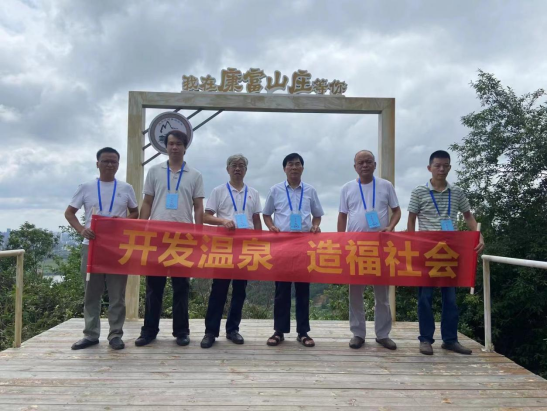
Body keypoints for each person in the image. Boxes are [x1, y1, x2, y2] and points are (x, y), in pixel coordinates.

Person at [408, 150, 485, 356]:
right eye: (437, 165)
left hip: (450, 252)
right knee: (425, 297)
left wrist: (479, 236)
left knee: (450, 298)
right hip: (426, 252)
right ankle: (425, 340)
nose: (441, 169)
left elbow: (469, 217)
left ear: (449, 167)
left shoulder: (457, 192)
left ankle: (450, 340)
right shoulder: (418, 191)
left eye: (445, 165)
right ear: (429, 168)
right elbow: (411, 219)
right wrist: (410, 243)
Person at [135, 130, 205, 347]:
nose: (175, 147)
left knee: (181, 286)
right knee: (154, 286)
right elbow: (147, 202)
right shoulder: (154, 171)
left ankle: (182, 331)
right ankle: (149, 331)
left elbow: (198, 207)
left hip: (183, 237)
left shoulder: (195, 175)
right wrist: (141, 228)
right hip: (156, 236)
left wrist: (199, 234)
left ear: (185, 147)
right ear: (166, 147)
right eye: (171, 144)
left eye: (179, 144)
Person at [65, 147, 139, 351]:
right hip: (92, 248)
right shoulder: (86, 187)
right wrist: (82, 230)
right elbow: (70, 213)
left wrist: (122, 221)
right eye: (105, 161)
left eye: (113, 161)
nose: (109, 165)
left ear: (118, 164)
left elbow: (135, 213)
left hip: (118, 249)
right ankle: (90, 334)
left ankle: (115, 335)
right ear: (97, 163)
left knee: (117, 295)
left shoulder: (126, 188)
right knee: (92, 293)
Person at [338, 150, 401, 351]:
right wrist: (340, 240)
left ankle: (383, 334)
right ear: (354, 166)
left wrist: (390, 228)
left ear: (374, 164)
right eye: (360, 162)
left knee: (382, 293)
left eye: (368, 162)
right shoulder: (347, 188)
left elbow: (397, 211)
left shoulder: (385, 186)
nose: (364, 165)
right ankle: (358, 333)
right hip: (355, 247)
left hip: (381, 246)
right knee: (355, 292)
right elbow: (342, 216)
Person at [201, 154, 263, 349]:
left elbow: (256, 220)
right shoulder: (218, 191)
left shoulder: (253, 192)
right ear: (227, 169)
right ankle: (210, 332)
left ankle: (232, 329)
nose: (238, 169)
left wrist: (261, 242)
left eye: (242, 165)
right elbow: (206, 216)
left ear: (246, 170)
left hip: (245, 247)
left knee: (240, 290)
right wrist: (223, 221)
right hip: (224, 247)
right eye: (234, 165)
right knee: (218, 289)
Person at [263, 153, 324, 348]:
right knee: (281, 290)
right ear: (284, 169)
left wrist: (315, 226)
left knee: (303, 289)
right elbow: (266, 215)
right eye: (290, 164)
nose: (294, 167)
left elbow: (317, 216)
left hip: (304, 245)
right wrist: (271, 226)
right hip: (282, 245)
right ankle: (279, 331)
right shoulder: (275, 190)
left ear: (302, 168)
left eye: (298, 164)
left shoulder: (311, 191)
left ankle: (303, 332)